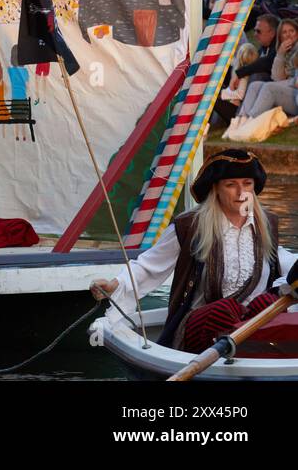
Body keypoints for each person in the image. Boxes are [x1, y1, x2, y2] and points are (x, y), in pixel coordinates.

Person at [91, 149, 296, 352]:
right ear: (215, 188)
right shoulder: (190, 226)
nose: (241, 192)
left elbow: (283, 261)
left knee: (268, 302)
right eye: (231, 185)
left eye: (247, 184)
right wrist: (114, 284)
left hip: (251, 325)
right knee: (224, 310)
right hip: (201, 325)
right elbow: (148, 266)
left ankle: (257, 355)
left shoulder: (266, 225)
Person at [236, 18, 298, 120]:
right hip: (288, 92)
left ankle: (251, 120)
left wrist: (273, 85)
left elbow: (295, 82)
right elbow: (278, 78)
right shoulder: (284, 52)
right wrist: (281, 54)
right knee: (254, 85)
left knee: (269, 87)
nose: (288, 35)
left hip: (295, 95)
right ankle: (241, 118)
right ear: (280, 37)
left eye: (292, 31)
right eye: (284, 32)